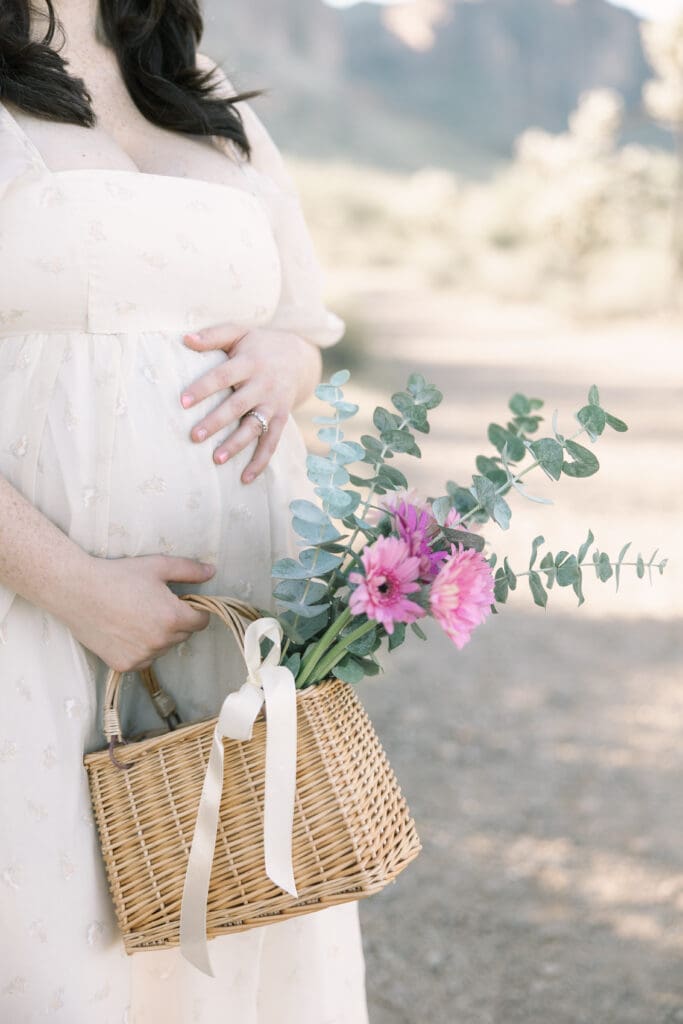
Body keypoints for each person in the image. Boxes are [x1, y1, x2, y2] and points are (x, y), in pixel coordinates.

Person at [0, 0, 369, 1020]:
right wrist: (70, 585)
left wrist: (282, 362)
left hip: (233, 613)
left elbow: (300, 326)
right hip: (29, 611)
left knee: (228, 933)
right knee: (47, 944)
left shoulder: (196, 84)